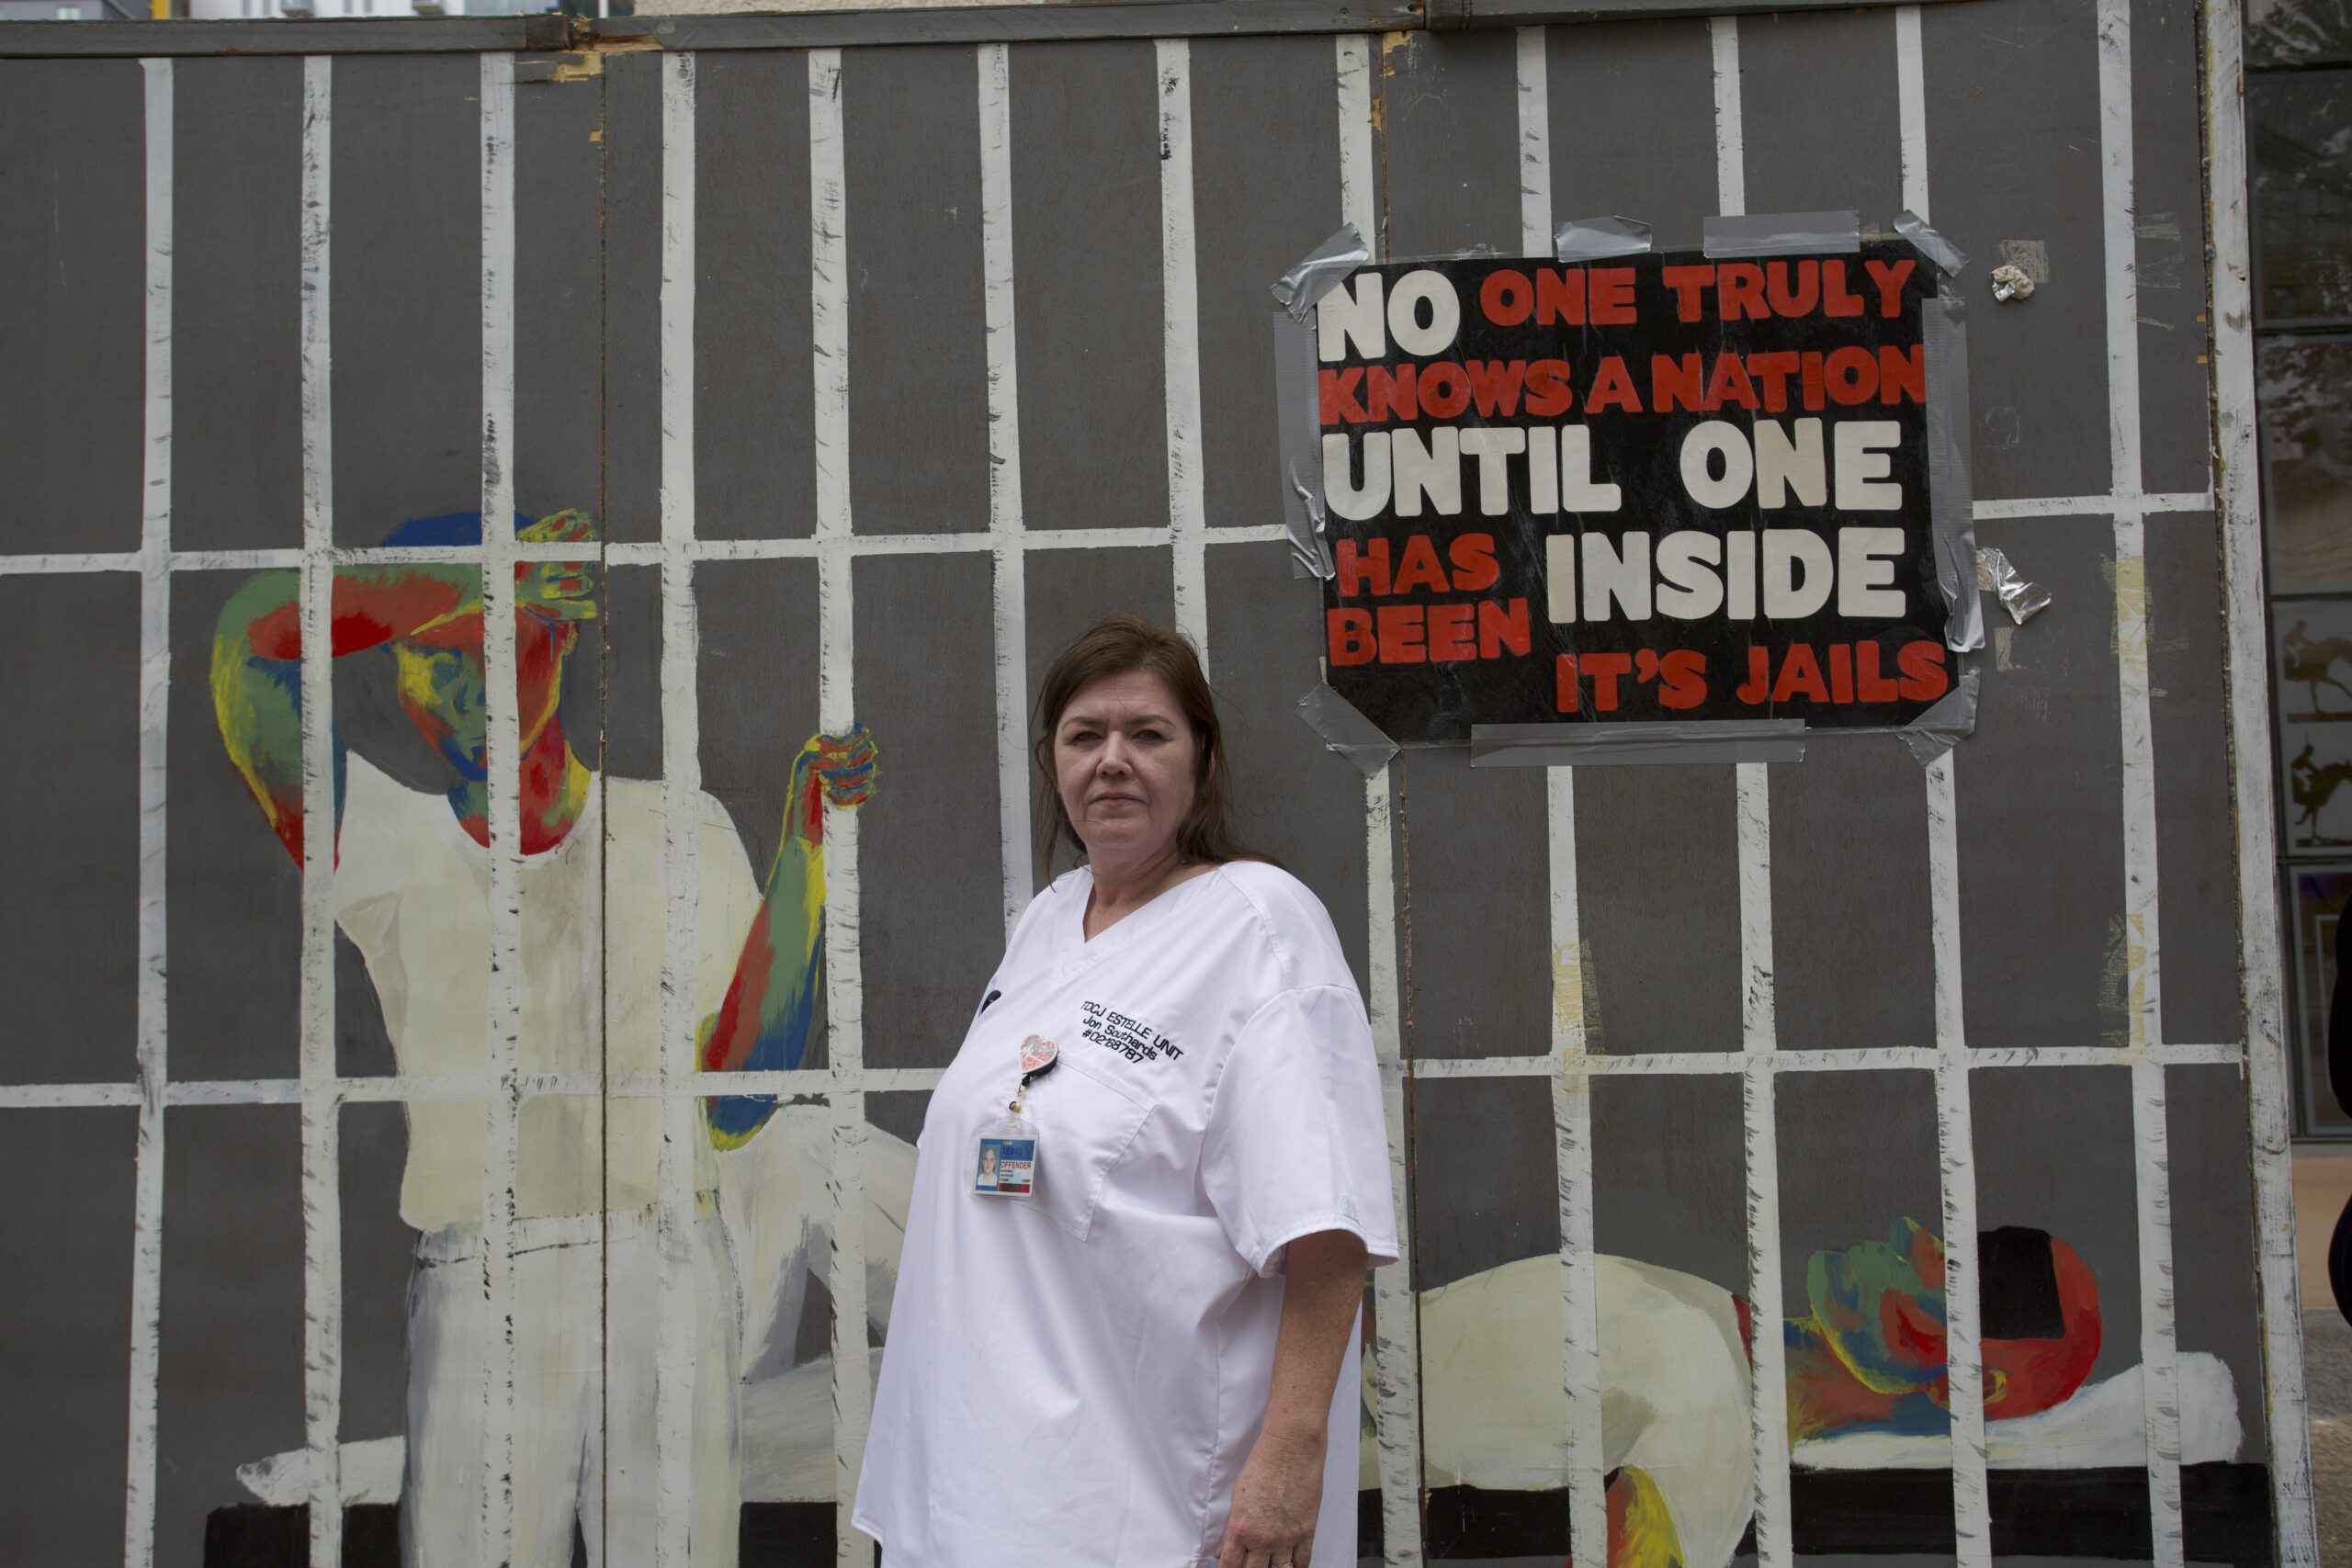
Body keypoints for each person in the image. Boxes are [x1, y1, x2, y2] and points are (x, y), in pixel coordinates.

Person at [209, 507, 877, 1567]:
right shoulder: (381, 844)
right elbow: (247, 645)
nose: (463, 685)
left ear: (560, 635)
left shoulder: (679, 830)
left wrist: (801, 851)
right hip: (478, 1280)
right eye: (429, 658)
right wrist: (469, 579)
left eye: (492, 643)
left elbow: (741, 1099)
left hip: (666, 1265)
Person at [855, 614, 1397, 1568]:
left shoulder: (1257, 926)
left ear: (1203, 759)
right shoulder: (1052, 920)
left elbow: (1324, 1228)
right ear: (1052, 762)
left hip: (1138, 1493)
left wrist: (1292, 1454)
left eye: (1146, 734)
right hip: (977, 1484)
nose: (1112, 761)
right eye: (1083, 736)